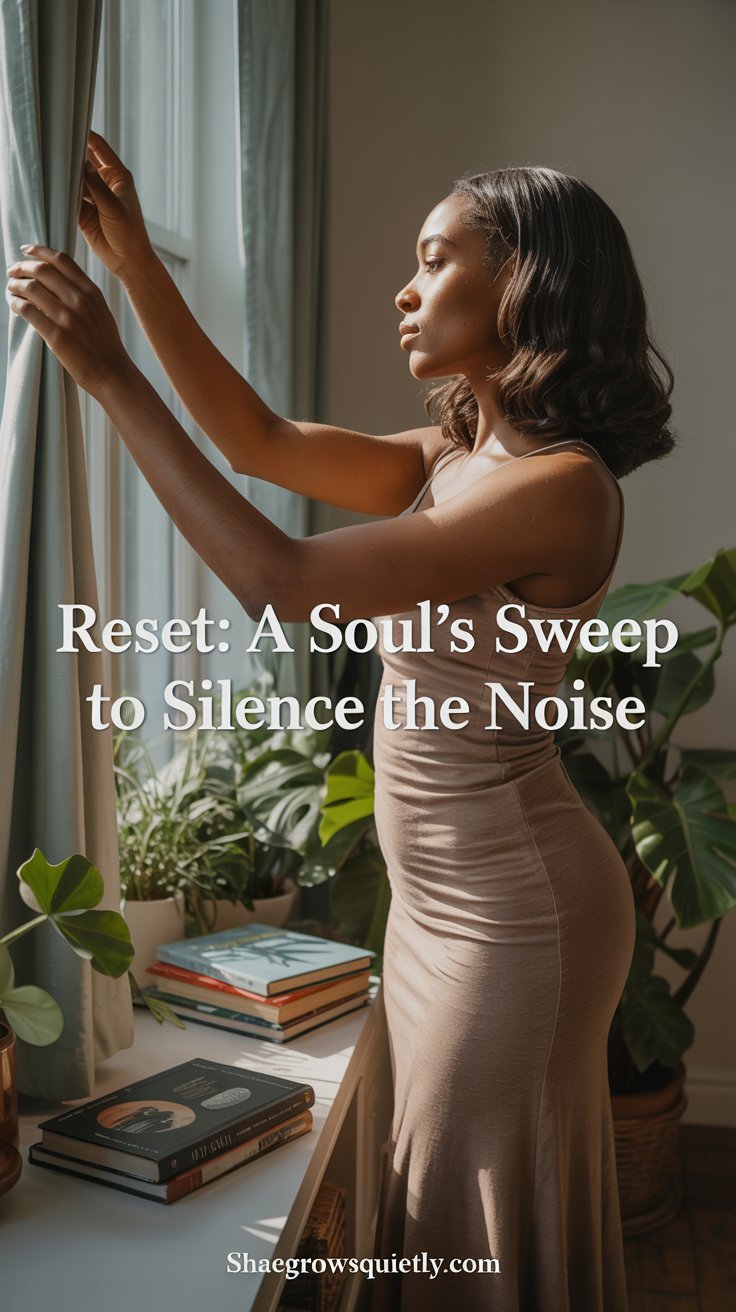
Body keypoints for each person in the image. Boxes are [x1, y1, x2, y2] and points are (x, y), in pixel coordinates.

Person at [6, 136, 674, 1311]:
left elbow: (277, 576)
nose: (405, 289)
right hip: (439, 909)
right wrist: (132, 263)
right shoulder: (454, 459)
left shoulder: (561, 486)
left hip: (515, 918)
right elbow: (257, 442)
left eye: (436, 259)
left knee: (467, 1233)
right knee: (447, 1221)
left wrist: (108, 372)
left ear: (525, 282)